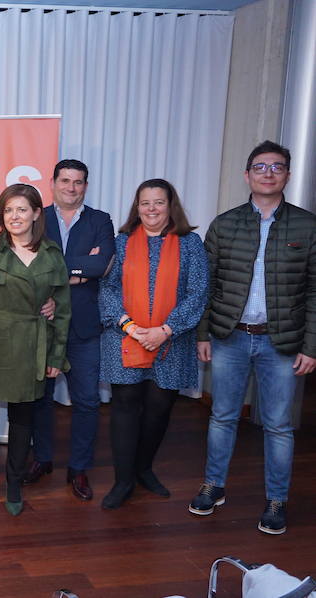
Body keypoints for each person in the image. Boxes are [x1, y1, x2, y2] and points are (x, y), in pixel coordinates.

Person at [191, 140, 315, 535]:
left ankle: (276, 500)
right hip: (230, 338)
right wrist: (203, 333)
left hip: (282, 342)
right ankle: (213, 486)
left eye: (276, 167)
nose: (268, 173)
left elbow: (314, 290)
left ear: (287, 176)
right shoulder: (225, 224)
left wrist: (311, 346)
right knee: (222, 417)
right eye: (260, 167)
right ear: (247, 175)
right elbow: (206, 286)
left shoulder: (307, 226)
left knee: (279, 425)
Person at [0, 183, 70, 518]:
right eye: (8, 210)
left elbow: (62, 310)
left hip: (31, 349)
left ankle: (14, 484)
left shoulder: (51, 255)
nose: (15, 216)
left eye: (22, 209)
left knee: (23, 423)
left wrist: (55, 358)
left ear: (37, 213)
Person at [98, 179, 207, 509]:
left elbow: (198, 292)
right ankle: (123, 480)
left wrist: (166, 329)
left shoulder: (190, 244)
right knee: (125, 407)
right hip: (124, 338)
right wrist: (130, 326)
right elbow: (107, 289)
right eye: (145, 203)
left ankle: (143, 469)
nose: (151, 209)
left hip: (172, 341)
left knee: (159, 410)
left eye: (158, 202)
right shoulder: (119, 242)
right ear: (137, 206)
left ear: (170, 205)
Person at [26, 159, 115, 502]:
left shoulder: (100, 220)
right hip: (42, 323)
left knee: (88, 401)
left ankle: (79, 468)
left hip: (84, 327)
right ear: (53, 183)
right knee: (40, 400)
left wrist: (67, 271)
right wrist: (79, 273)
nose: (71, 187)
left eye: (78, 182)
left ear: (85, 186)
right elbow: (29, 265)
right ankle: (43, 458)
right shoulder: (37, 217)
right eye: (65, 181)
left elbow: (102, 264)